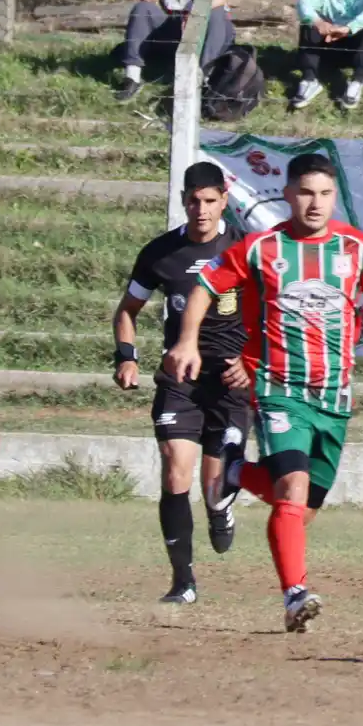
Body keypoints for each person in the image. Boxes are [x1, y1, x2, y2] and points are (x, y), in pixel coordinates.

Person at [165, 152, 363, 632]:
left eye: (325, 194)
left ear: (334, 198)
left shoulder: (358, 250)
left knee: (302, 510)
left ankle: (235, 472)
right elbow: (203, 285)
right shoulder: (263, 248)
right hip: (279, 391)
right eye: (306, 192)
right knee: (292, 491)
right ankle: (294, 595)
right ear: (287, 194)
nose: (315, 203)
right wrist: (186, 341)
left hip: (334, 397)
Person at [113, 162, 249, 604]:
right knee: (175, 469)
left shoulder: (246, 249)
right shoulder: (160, 253)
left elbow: (271, 310)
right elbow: (127, 310)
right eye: (194, 200)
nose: (202, 209)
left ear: (224, 201)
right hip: (180, 379)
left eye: (210, 201)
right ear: (183, 201)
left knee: (214, 487)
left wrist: (252, 361)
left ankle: (220, 507)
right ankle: (183, 581)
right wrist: (127, 357)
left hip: (230, 379)